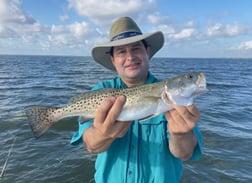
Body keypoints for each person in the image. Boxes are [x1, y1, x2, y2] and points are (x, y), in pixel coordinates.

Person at [71, 17, 203, 183]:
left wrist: (181, 134)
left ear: (147, 51)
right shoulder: (99, 92)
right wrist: (103, 134)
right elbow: (91, 145)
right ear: (113, 59)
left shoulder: (178, 100)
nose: (130, 57)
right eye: (121, 52)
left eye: (136, 49)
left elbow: (185, 153)